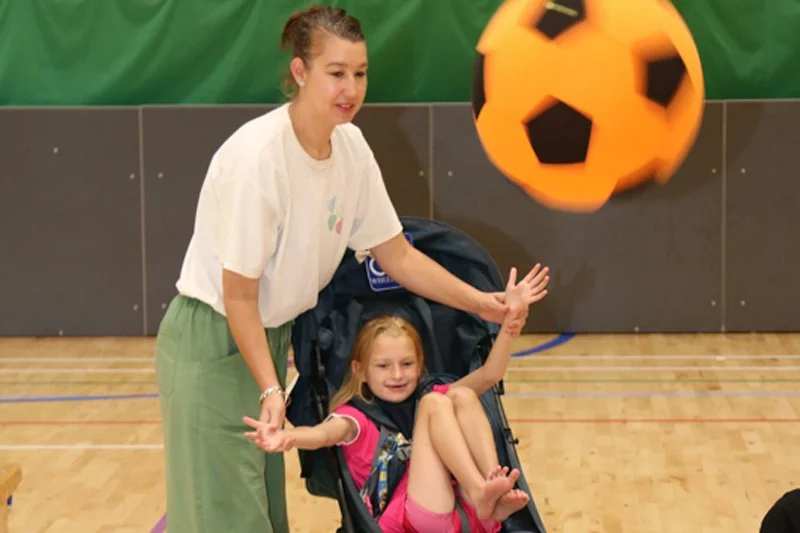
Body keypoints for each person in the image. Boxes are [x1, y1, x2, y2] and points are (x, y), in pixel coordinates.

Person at [154, 5, 546, 533]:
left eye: (360, 73)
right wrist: (272, 390)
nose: (351, 87)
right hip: (214, 338)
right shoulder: (259, 159)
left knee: (259, 515)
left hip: (266, 339)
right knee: (226, 516)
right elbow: (240, 296)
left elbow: (397, 255)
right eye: (335, 73)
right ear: (300, 73)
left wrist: (484, 304)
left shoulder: (352, 147)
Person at [244, 266, 551, 533]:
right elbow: (321, 434)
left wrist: (511, 326)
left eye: (407, 364)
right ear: (360, 371)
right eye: (383, 366)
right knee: (435, 402)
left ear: (420, 365)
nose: (397, 375)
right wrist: (288, 437)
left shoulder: (430, 395)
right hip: (412, 520)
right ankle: (482, 493)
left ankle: (487, 493)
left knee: (460, 393)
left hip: (466, 511)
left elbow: (489, 374)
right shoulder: (357, 417)